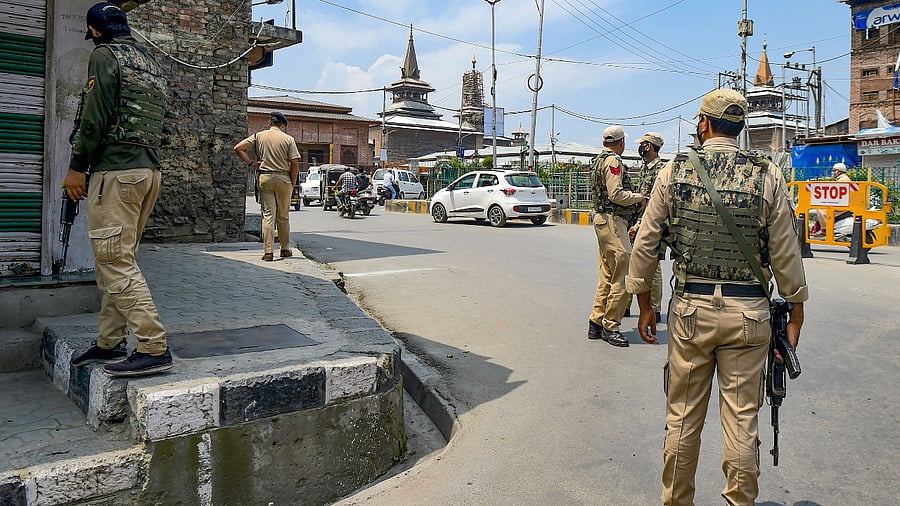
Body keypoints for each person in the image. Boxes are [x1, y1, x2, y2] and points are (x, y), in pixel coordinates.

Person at [626, 89, 808, 506]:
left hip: (691, 311)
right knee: (743, 420)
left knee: (682, 420)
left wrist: (645, 305)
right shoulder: (766, 174)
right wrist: (796, 311)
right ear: (741, 128)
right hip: (750, 315)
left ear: (703, 125)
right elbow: (785, 250)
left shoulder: (674, 171)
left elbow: (647, 243)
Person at [65, 2, 173, 377]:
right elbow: (165, 123)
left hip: (116, 172)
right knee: (117, 260)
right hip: (147, 172)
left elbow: (95, 117)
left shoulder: (104, 56)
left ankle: (153, 345)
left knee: (114, 261)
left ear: (95, 30)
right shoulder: (149, 63)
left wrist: (77, 167)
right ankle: (110, 342)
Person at [587, 125, 646, 347]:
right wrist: (639, 197)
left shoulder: (598, 160)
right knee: (623, 275)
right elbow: (616, 194)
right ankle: (611, 325)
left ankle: (596, 322)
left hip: (603, 221)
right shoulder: (613, 162)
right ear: (621, 143)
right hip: (613, 222)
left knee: (607, 274)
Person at [235, 111, 300, 261]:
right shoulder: (288, 139)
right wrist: (293, 182)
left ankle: (268, 252)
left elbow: (238, 148)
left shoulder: (258, 136)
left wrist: (251, 163)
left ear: (269, 123)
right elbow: (295, 163)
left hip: (265, 177)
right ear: (282, 125)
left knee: (268, 216)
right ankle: (284, 249)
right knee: (283, 216)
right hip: (284, 178)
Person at [629, 132, 666, 322]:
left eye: (642, 144)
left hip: (651, 221)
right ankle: (627, 304)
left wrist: (638, 224)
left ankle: (656, 308)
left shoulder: (661, 169)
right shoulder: (645, 168)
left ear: (649, 146)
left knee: (654, 266)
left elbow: (653, 203)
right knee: (632, 261)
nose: (641, 147)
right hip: (638, 217)